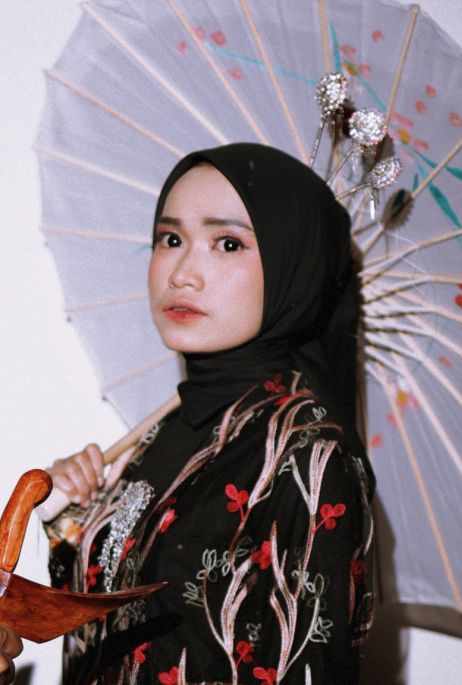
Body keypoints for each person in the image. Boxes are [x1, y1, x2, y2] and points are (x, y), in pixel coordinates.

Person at [4, 143, 375, 684]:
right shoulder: (160, 436)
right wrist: (69, 520)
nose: (182, 274)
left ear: (293, 266)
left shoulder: (309, 457)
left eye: (228, 244)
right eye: (171, 239)